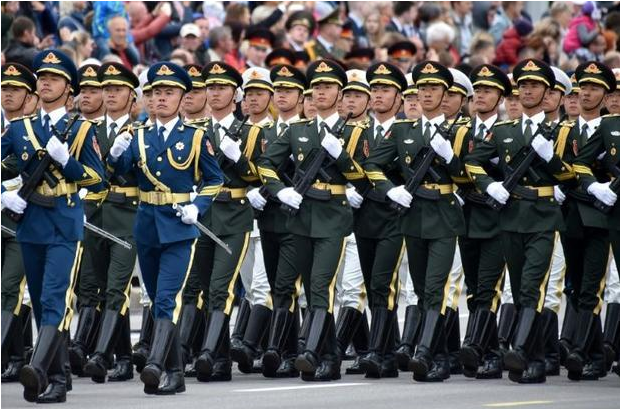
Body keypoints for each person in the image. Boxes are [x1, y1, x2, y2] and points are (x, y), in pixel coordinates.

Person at [106, 61, 224, 395]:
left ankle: (156, 364)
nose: (161, 98)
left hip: (178, 228)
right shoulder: (139, 135)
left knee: (167, 298)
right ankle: (176, 373)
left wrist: (197, 207)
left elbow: (215, 179)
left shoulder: (196, 136)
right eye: (156, 92)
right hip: (146, 225)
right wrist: (115, 155)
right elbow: (122, 173)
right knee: (156, 297)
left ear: (182, 98)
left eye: (168, 92)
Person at [1, 49, 106, 403]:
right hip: (31, 222)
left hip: (64, 220)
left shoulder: (82, 129)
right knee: (38, 298)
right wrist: (4, 195)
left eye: (54, 79)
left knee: (53, 297)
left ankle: (39, 368)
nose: (45, 83)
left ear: (69, 88)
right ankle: (58, 378)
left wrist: (68, 162)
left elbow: (97, 179)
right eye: (42, 78)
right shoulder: (20, 128)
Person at [465, 58, 573, 384]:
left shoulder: (560, 131)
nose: (527, 90)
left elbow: (572, 175)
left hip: (543, 216)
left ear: (547, 92)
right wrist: (490, 186)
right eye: (523, 85)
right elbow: (473, 162)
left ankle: (524, 351)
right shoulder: (503, 130)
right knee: (518, 287)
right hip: (511, 215)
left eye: (534, 85)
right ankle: (533, 360)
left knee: (532, 287)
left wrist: (551, 158)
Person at [258, 59, 365, 381]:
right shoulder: (298, 130)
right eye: (316, 87)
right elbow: (265, 164)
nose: (320, 92)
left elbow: (363, 179)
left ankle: (311, 350)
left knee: (320, 285)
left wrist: (341, 156)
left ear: (340, 93)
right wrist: (280, 191)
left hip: (333, 216)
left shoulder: (354, 132)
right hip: (301, 216)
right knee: (305, 286)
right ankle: (329, 359)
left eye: (327, 87)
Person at [365, 61, 465, 382]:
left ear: (445, 94)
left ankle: (424, 352)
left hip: (444, 215)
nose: (427, 94)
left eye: (434, 88)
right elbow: (373, 165)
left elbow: (467, 177)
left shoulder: (458, 130)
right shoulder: (403, 130)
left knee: (435, 288)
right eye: (422, 88)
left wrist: (450, 157)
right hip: (414, 215)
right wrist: (391, 190)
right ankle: (440, 358)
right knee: (421, 289)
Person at [192, 61, 264, 383]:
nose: (215, 93)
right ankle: (218, 361)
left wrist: (239, 159)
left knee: (222, 286)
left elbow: (259, 176)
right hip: (204, 215)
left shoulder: (249, 131)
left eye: (221, 88)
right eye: (211, 87)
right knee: (205, 287)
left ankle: (208, 352)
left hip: (234, 214)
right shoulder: (197, 130)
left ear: (235, 94)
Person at [81, 62, 141, 384]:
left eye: (117, 89)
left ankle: (102, 355)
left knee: (117, 287)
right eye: (107, 89)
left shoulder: (139, 131)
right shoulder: (88, 130)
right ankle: (125, 358)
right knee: (101, 287)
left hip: (127, 215)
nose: (111, 95)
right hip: (95, 215)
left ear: (131, 96)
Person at [350, 62, 409, 379]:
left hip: (394, 216)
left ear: (399, 97)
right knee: (372, 284)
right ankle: (387, 351)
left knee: (383, 284)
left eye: (385, 90)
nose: (378, 95)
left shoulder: (407, 130)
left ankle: (377, 351)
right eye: (375, 89)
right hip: (364, 216)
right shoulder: (359, 132)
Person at [454, 64, 512, 380]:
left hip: (495, 217)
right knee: (474, 287)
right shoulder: (461, 130)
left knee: (489, 287)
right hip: (466, 216)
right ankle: (486, 351)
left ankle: (481, 348)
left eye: (488, 91)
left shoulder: (507, 130)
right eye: (478, 90)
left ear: (500, 97)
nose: (481, 96)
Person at [566, 61, 618, 381]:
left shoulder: (611, 129)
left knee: (591, 286)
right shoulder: (565, 130)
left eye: (594, 88)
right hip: (570, 215)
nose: (586, 93)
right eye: (583, 87)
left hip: (600, 215)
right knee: (574, 286)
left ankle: (582, 352)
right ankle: (596, 354)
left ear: (605, 95)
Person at [257, 63, 307, 379]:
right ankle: (290, 350)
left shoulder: (309, 130)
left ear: (301, 97)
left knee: (287, 285)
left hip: (297, 219)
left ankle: (278, 350)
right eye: (278, 90)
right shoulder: (265, 131)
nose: (281, 96)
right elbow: (256, 168)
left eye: (288, 91)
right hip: (269, 218)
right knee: (277, 286)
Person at [230, 66, 274, 374]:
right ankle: (259, 345)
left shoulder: (274, 130)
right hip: (240, 215)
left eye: (259, 94)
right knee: (248, 284)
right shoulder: (237, 130)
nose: (253, 99)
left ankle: (253, 344)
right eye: (249, 94)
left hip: (267, 213)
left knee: (262, 284)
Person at [0, 62, 38, 384]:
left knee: (12, 288)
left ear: (30, 97)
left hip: (27, 220)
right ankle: (14, 354)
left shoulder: (36, 130)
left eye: (16, 89)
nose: (8, 94)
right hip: (4, 213)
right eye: (4, 89)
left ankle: (16, 355)